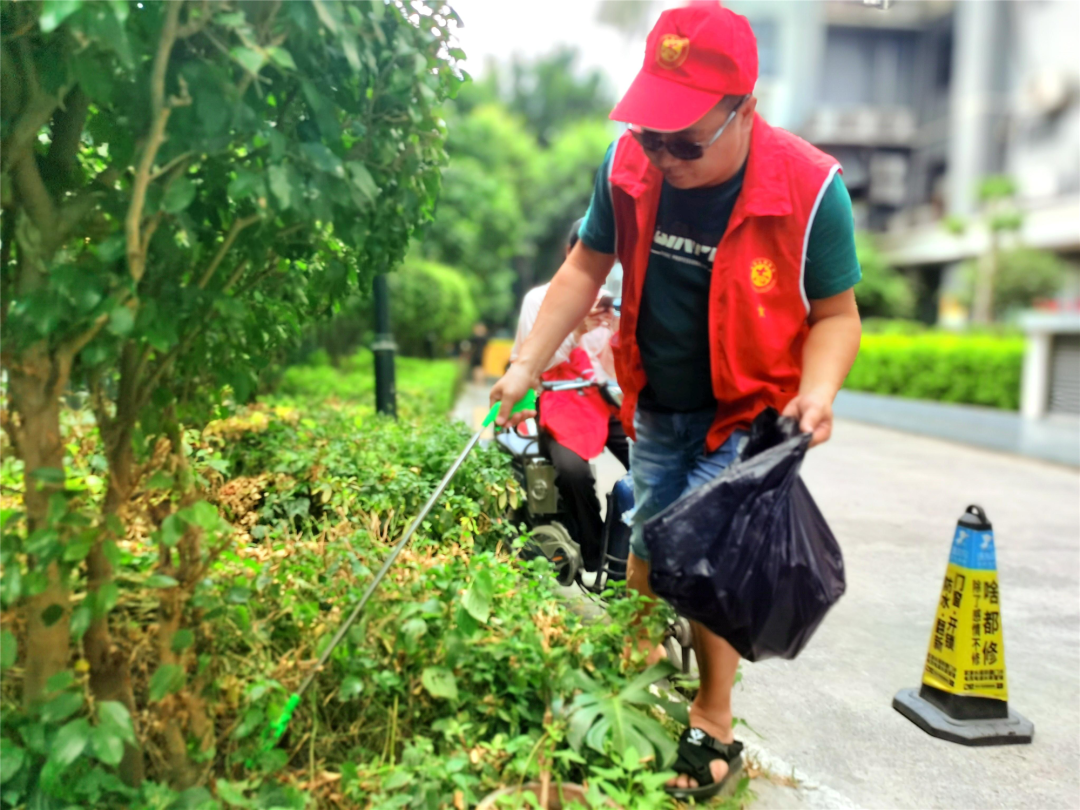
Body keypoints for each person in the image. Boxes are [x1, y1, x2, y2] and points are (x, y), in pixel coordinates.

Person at [490, 2, 862, 800]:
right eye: (652, 133)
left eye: (683, 141)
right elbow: (585, 268)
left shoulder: (810, 190)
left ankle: (713, 713)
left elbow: (836, 316)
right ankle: (638, 654)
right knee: (651, 529)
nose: (662, 156)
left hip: (753, 411)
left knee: (709, 561)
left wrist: (819, 393)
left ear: (744, 112)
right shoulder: (629, 165)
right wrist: (525, 365)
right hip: (656, 398)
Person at [510, 219, 629, 570]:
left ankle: (631, 549)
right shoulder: (539, 300)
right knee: (573, 472)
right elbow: (534, 362)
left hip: (613, 404)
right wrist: (577, 329)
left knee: (653, 468)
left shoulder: (616, 302)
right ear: (571, 252)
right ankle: (594, 555)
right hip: (561, 405)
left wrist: (618, 325)